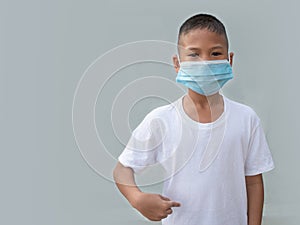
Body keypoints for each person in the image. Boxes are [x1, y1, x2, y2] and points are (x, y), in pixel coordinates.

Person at [113, 13, 275, 225]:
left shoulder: (246, 118)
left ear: (230, 60)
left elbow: (253, 183)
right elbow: (122, 169)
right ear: (177, 64)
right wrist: (137, 199)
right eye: (194, 55)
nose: (205, 62)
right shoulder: (161, 120)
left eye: (215, 53)